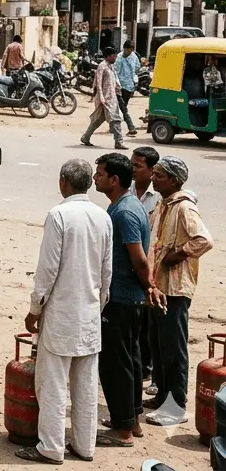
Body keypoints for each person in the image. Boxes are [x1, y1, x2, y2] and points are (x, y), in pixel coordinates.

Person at [18, 159, 113, 464]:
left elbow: (47, 270)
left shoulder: (58, 215)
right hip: (88, 314)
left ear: (63, 182)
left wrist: (35, 308)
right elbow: (106, 272)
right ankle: (85, 447)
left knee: (54, 385)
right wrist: (97, 306)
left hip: (61, 315)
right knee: (85, 386)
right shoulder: (102, 217)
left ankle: (51, 447)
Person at [144, 156, 214, 426]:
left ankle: (176, 407)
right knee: (159, 346)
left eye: (159, 175)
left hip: (175, 288)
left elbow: (204, 240)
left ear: (173, 180)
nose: (153, 178)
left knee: (173, 349)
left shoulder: (184, 207)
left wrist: (180, 253)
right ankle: (162, 397)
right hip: (159, 286)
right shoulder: (164, 205)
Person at [92, 153, 154, 447]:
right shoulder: (127, 205)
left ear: (114, 180)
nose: (95, 178)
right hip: (130, 298)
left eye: (100, 173)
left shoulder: (124, 212)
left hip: (122, 299)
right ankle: (131, 420)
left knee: (116, 364)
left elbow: (139, 259)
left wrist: (149, 286)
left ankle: (123, 431)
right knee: (131, 359)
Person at [130, 145, 163, 396]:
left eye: (138, 166)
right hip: (132, 263)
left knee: (153, 323)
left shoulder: (160, 197)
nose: (133, 169)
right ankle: (140, 369)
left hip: (152, 265)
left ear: (152, 170)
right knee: (136, 321)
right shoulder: (126, 191)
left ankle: (151, 371)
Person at [81, 46, 125, 150]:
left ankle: (85, 137)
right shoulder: (102, 66)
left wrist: (119, 90)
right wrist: (101, 96)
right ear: (108, 56)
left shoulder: (111, 67)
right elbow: (98, 83)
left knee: (98, 119)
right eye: (114, 56)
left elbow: (115, 81)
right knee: (115, 119)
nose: (115, 58)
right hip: (105, 98)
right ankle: (119, 142)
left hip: (112, 97)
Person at [116, 41, 141, 137]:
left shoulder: (132, 56)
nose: (129, 52)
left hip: (127, 87)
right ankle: (115, 126)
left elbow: (137, 67)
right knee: (121, 107)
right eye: (128, 50)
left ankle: (131, 127)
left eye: (131, 51)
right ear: (124, 48)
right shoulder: (119, 57)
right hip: (123, 86)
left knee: (122, 107)